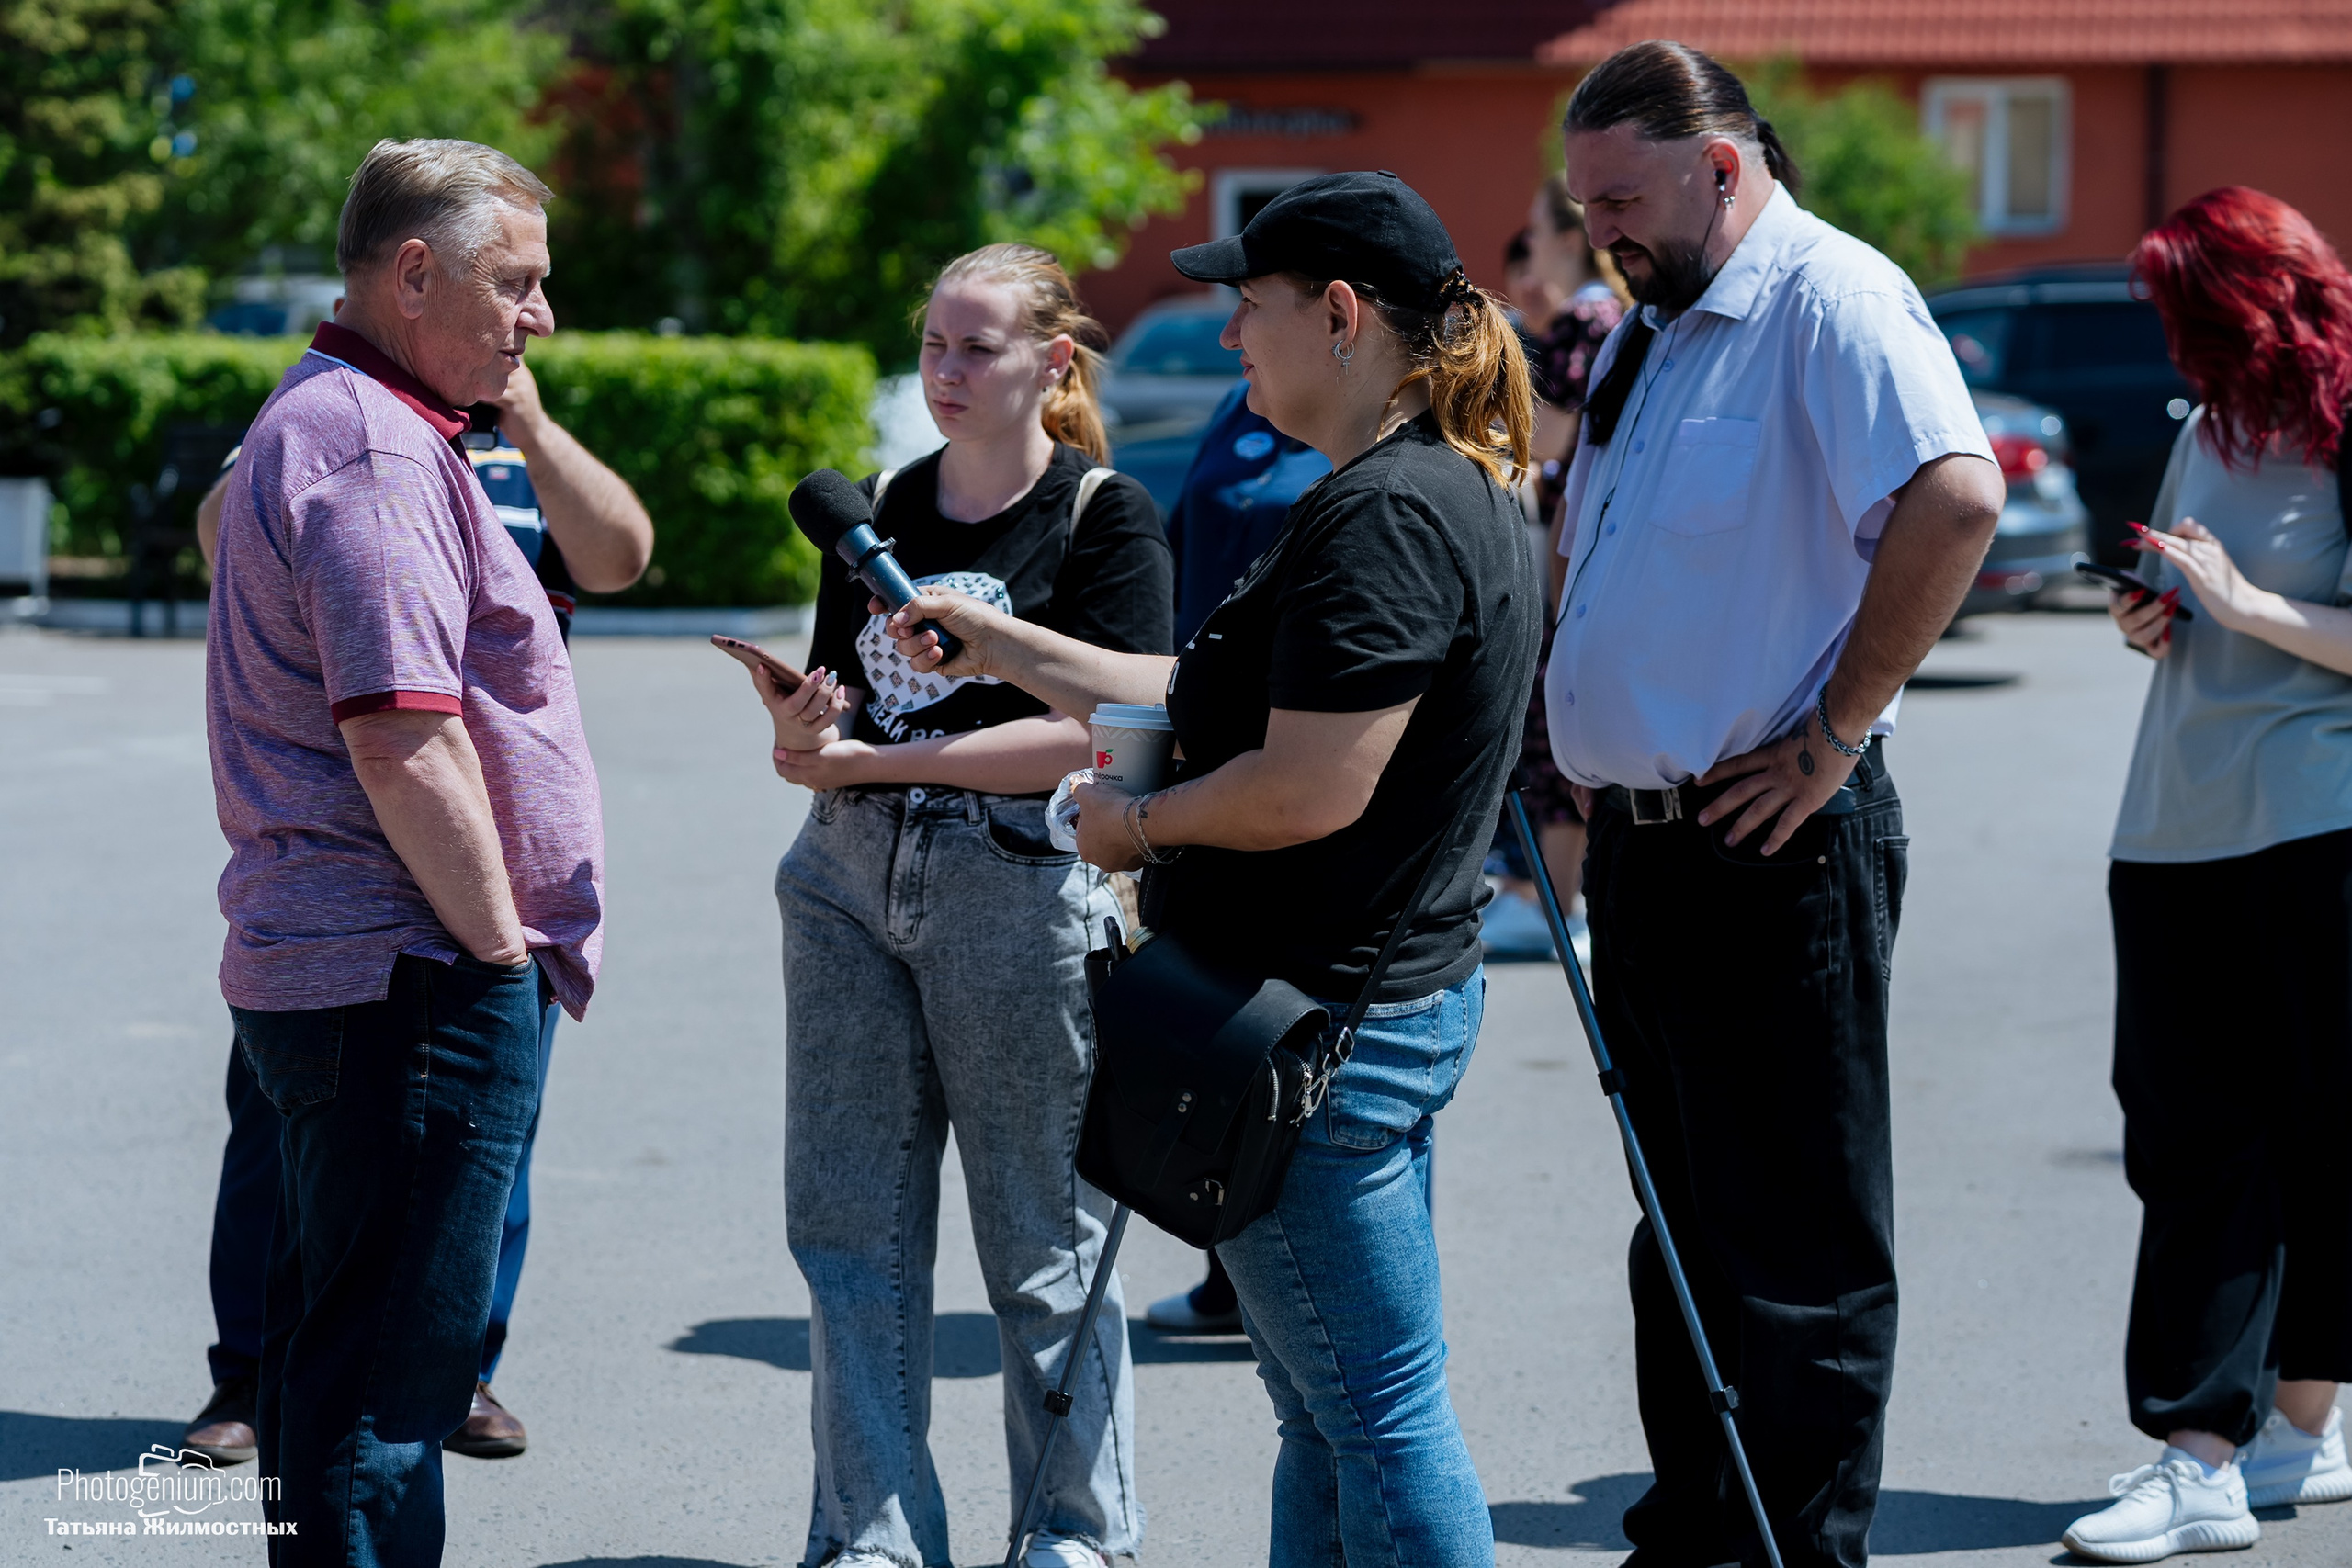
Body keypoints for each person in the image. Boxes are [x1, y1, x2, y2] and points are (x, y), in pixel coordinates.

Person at [878, 170, 1539, 1568]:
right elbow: (1196, 691)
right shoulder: (1416, 490)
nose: (1231, 338)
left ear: (1344, 316)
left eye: (1251, 308)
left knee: (1376, 1412)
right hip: (1353, 1010)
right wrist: (1000, 644)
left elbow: (1307, 787)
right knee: (1325, 1409)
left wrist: (1133, 830)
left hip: (1315, 1026)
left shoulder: (1389, 514)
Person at [1545, 44, 2004, 1567]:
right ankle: (1698, 1535)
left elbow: (1955, 493)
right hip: (1650, 849)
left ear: (1721, 169)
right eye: (1584, 200)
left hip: (1776, 842)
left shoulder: (1831, 297)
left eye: (1619, 198)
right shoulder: (1660, 327)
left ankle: (1799, 1551)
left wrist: (1836, 728)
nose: (1598, 227)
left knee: (1795, 1248)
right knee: (1680, 1235)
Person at [204, 136, 605, 1565]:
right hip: (409, 974)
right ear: (414, 272)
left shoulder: (328, 413)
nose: (539, 316)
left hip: (358, 970)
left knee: (339, 1374)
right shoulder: (372, 447)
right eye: (518, 281)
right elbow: (402, 734)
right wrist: (500, 948)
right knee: (381, 1397)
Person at [751, 243, 1169, 1568]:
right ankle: (871, 1533)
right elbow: (842, 713)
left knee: (1045, 1237)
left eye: (974, 346)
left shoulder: (1106, 514)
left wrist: (888, 759)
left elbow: (1118, 732)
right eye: (932, 341)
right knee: (850, 1233)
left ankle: (1072, 1531)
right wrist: (805, 726)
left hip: (1020, 880)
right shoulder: (875, 503)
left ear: (1052, 364)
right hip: (846, 876)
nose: (943, 370)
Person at [183, 361, 651, 1466]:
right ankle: (250, 1376)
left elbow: (621, 556)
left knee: (492, 1138)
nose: (528, 321)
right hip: (358, 867)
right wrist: (285, 430)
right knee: (281, 1136)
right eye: (512, 287)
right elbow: (221, 539)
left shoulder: (514, 450)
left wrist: (528, 423)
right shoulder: (343, 433)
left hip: (497, 857)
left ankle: (459, 1366)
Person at [2057, 186, 2352, 1565]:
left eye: (2185, 311)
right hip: (2174, 820)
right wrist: (2160, 615)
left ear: (2252, 298)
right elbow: (2199, 603)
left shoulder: (2344, 418)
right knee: (2188, 1137)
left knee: (2288, 1140)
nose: (2172, 342)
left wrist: (2244, 609)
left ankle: (2212, 1453)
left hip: (2311, 818)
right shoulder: (2214, 426)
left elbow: (2288, 615)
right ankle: (2281, 1434)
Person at [1485, 176, 1628, 957]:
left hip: (1566, 547)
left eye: (1537, 231)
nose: (1529, 244)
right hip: (1573, 537)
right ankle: (1546, 895)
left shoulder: (1585, 321)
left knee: (1550, 719)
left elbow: (1550, 437)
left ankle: (1552, 902)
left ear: (1570, 241)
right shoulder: (1600, 319)